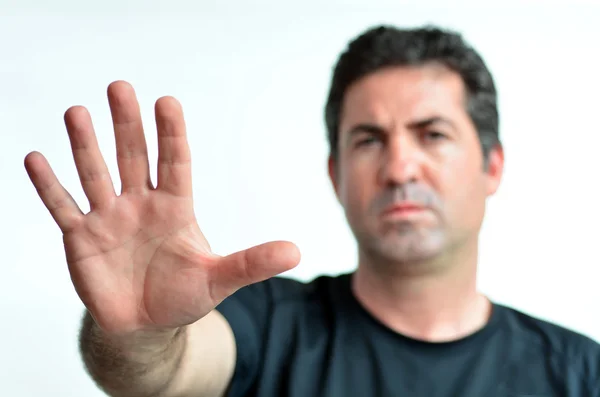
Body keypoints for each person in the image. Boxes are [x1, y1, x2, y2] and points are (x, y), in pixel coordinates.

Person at [25, 24, 600, 397]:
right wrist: (142, 335)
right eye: (369, 140)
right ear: (335, 174)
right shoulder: (271, 324)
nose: (400, 168)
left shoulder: (579, 374)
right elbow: (171, 369)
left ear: (492, 166)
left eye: (432, 134)